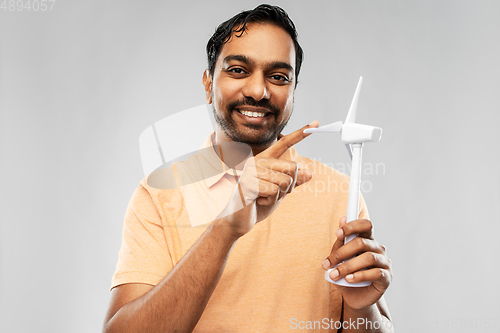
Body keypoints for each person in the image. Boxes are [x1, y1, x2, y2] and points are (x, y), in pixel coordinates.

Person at [103, 4, 393, 332]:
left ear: (293, 90)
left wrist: (363, 308)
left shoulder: (341, 194)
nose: (258, 91)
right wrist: (224, 231)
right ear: (208, 82)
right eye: (239, 70)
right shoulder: (158, 194)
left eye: (278, 76)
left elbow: (370, 326)